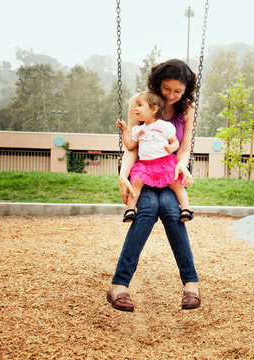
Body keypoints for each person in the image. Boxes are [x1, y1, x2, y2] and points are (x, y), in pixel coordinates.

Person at [107, 59, 200, 312]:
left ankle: (191, 284)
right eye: (167, 88)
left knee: (172, 212)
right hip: (142, 172)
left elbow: (184, 148)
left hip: (170, 172)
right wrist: (123, 176)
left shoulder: (187, 109)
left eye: (177, 91)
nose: (171, 95)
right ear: (157, 83)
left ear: (186, 90)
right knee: (146, 212)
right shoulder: (141, 101)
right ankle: (119, 285)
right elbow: (131, 147)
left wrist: (181, 166)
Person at [116, 90, 193, 223]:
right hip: (145, 166)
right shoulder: (137, 130)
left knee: (176, 184)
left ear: (154, 109)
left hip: (164, 162)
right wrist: (124, 130)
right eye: (136, 105)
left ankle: (186, 209)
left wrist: (172, 147)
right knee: (136, 183)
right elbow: (130, 145)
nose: (136, 108)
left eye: (140, 105)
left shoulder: (164, 126)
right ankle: (130, 209)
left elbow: (175, 141)